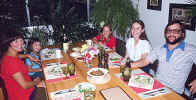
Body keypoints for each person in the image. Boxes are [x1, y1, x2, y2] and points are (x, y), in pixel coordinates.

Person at [130, 20, 196, 95]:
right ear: (165, 34)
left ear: (182, 34)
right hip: (155, 85)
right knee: (128, 89)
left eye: (176, 31)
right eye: (169, 31)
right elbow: (145, 61)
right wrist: (129, 65)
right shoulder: (159, 47)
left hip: (173, 92)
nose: (171, 33)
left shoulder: (191, 50)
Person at [0, 28, 42, 100]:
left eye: (21, 40)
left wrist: (28, 55)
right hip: (25, 96)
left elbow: (17, 56)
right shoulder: (10, 63)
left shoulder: (9, 55)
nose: (20, 43)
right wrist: (37, 82)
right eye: (16, 41)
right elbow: (25, 85)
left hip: (29, 89)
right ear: (8, 44)